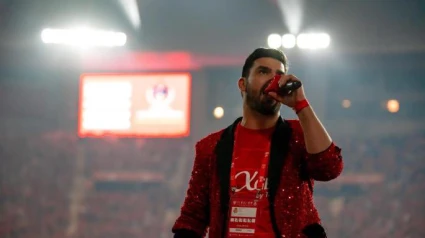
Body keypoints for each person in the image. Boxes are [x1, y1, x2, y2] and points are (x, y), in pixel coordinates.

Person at [172, 48, 343, 238]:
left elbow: (329, 168)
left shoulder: (298, 135)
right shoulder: (211, 147)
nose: (273, 80)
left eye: (279, 75)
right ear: (243, 84)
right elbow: (192, 218)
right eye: (263, 72)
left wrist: (300, 104)